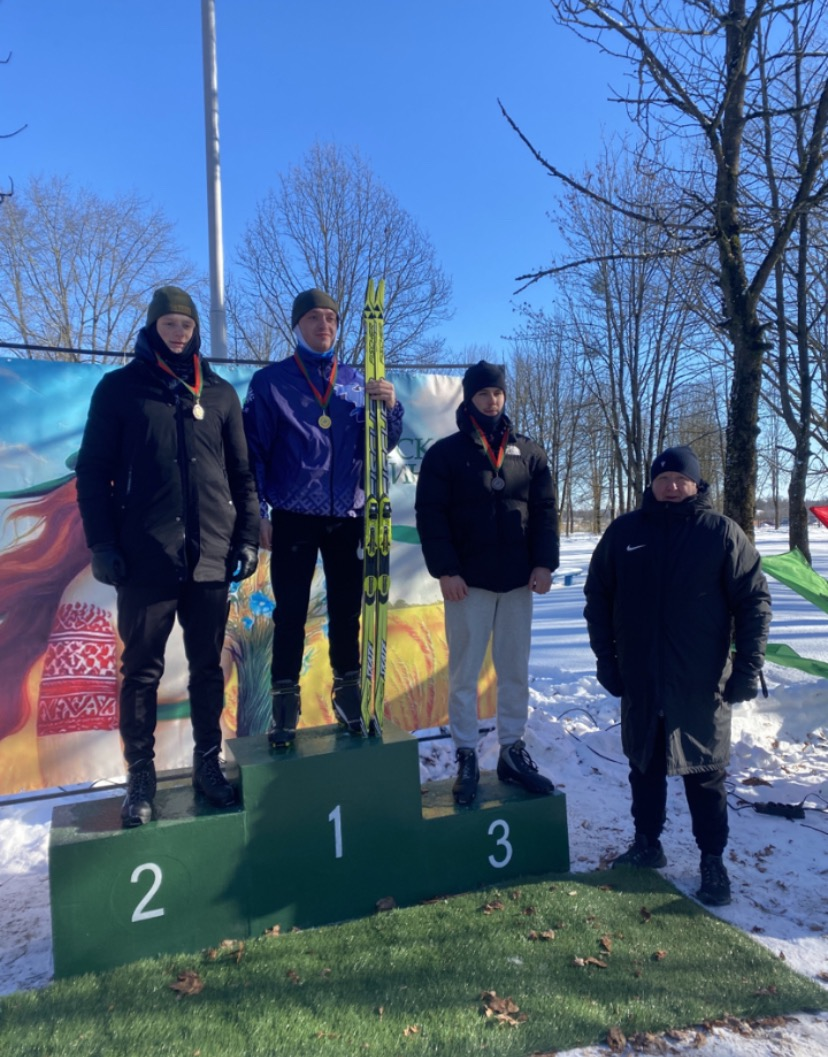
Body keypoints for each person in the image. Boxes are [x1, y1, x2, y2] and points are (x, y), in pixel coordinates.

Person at [76, 286, 260, 827]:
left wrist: (247, 538)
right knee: (141, 671)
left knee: (207, 668)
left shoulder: (219, 394)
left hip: (210, 557)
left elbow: (242, 475)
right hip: (145, 556)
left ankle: (208, 764)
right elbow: (93, 473)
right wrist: (102, 544)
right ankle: (140, 776)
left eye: (186, 325)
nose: (178, 333)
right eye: (169, 324)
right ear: (153, 327)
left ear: (196, 330)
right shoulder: (120, 390)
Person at [583, 445, 771, 906]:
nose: (671, 486)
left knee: (705, 773)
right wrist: (606, 660)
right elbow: (598, 597)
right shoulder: (625, 532)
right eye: (663, 479)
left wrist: (748, 666)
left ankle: (712, 861)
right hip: (642, 676)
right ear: (652, 484)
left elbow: (753, 602)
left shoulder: (720, 533)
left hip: (700, 680)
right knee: (644, 765)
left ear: (695, 484)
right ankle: (647, 844)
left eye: (680, 480)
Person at [242, 288, 403, 744]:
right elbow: (253, 453)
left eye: (331, 318)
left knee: (348, 611)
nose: (324, 325)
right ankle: (284, 702)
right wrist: (259, 513)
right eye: (314, 318)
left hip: (348, 514)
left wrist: (390, 408)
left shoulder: (356, 380)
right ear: (297, 325)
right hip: (293, 514)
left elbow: (383, 444)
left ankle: (348, 693)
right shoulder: (270, 382)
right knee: (291, 612)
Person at [415, 360, 559, 806]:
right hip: (468, 583)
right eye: (483, 393)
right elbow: (431, 516)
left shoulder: (529, 453)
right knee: (464, 673)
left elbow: (545, 512)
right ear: (469, 398)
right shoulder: (445, 454)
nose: (491, 400)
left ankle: (512, 751)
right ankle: (465, 756)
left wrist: (544, 563)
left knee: (514, 670)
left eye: (497, 393)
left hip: (517, 581)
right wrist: (446, 570)